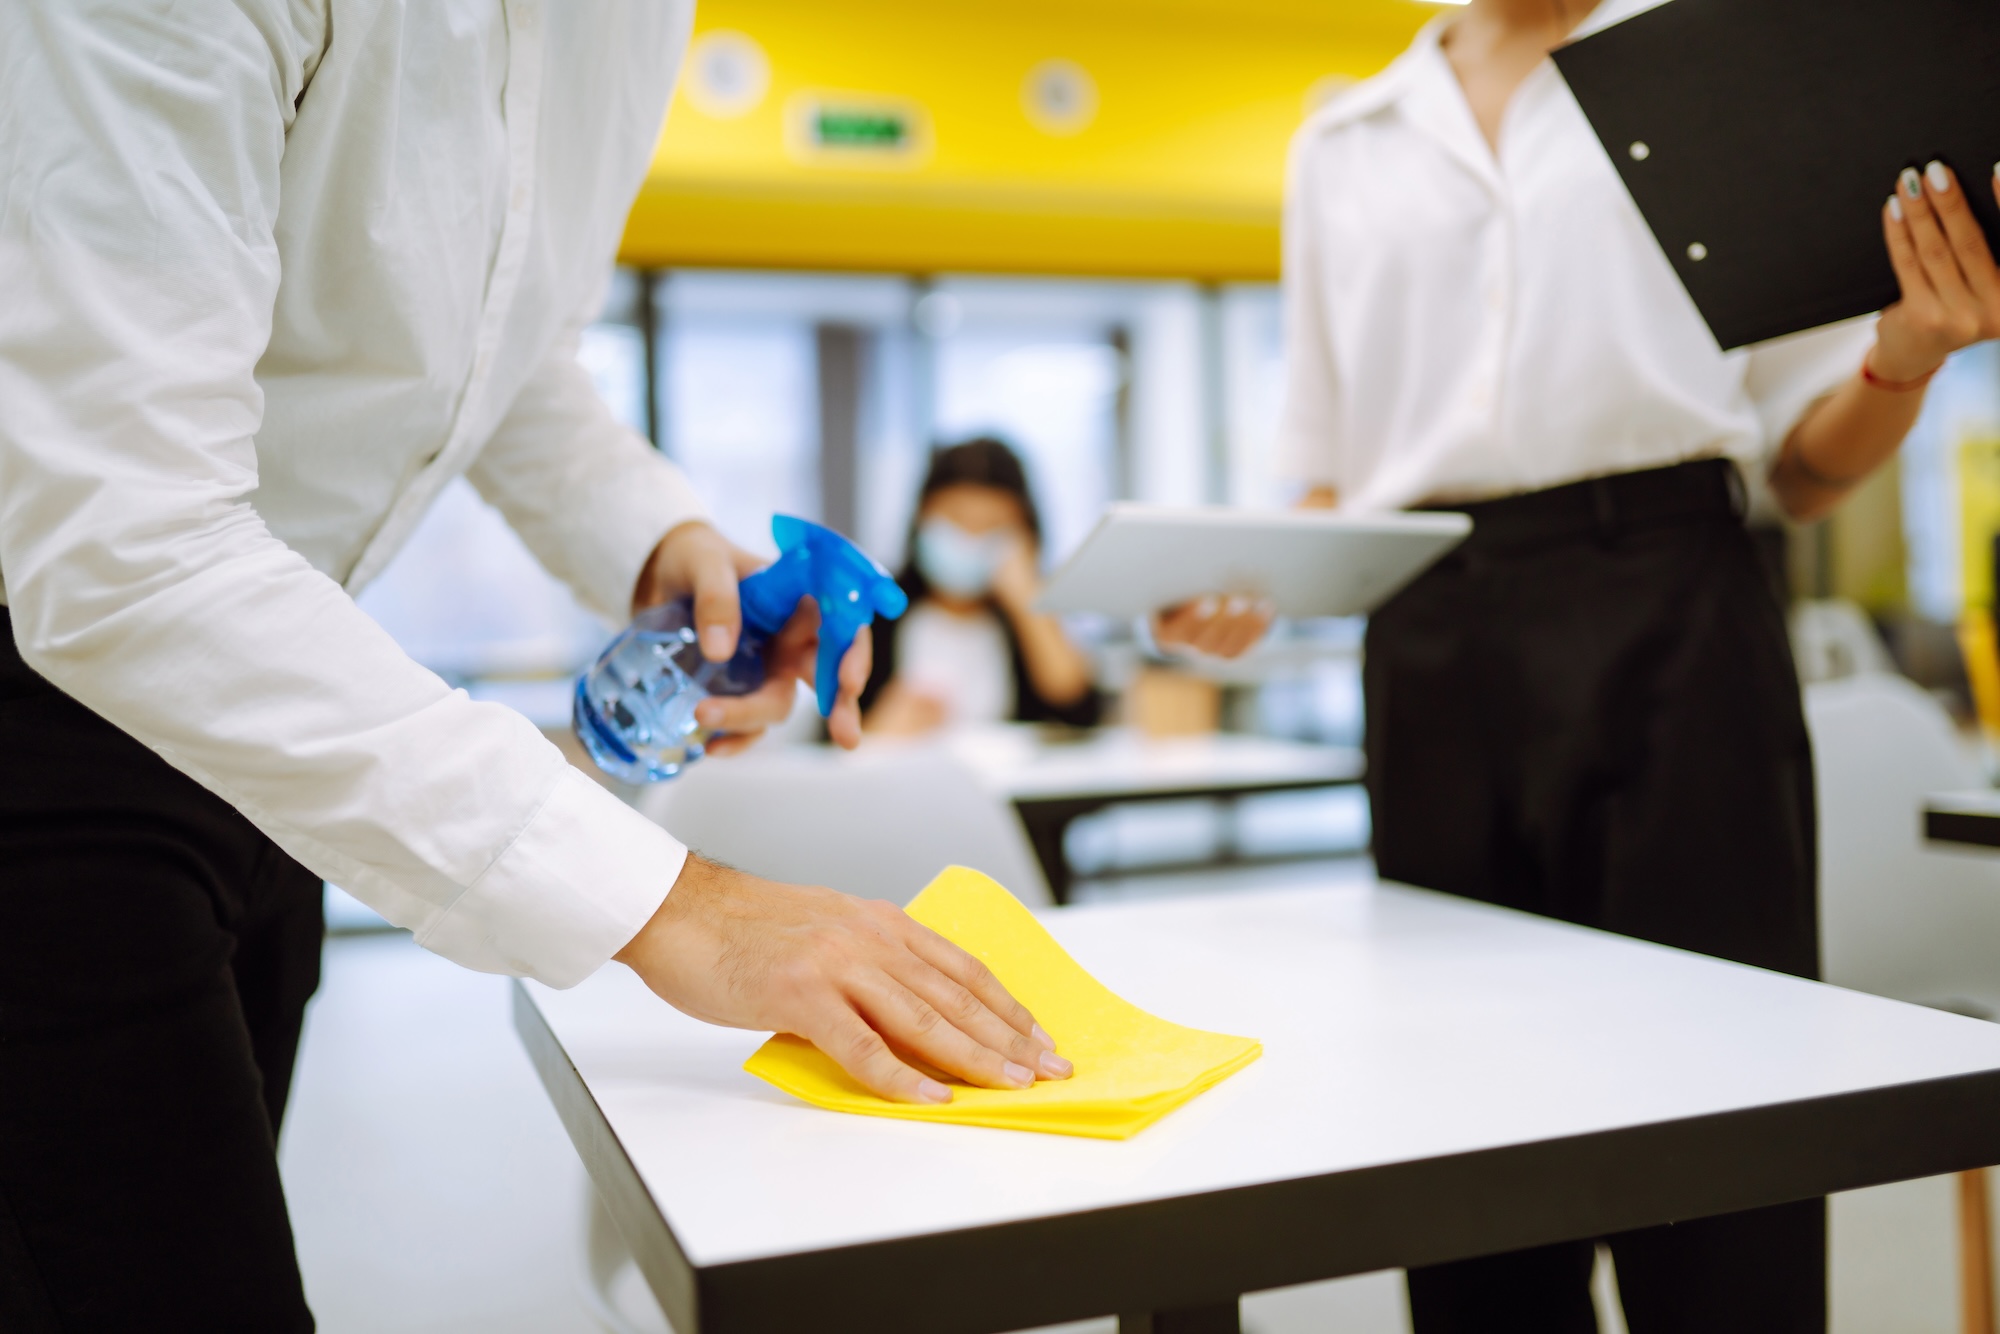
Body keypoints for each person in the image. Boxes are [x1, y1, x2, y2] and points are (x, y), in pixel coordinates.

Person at [0, 4, 1070, 1327]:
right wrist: (684, 906)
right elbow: (122, 540)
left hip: (268, 688)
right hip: (52, 685)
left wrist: (660, 535)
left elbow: (510, 354)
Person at [1158, 0, 2000, 1328]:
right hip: (1430, 640)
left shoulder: (1714, 72)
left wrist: (1908, 354)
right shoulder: (1344, 137)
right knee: (1465, 1139)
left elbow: (1801, 466)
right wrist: (1249, 576)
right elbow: (1333, 471)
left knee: (1727, 1124)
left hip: (1675, 606)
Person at [863, 438, 1103, 735]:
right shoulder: (874, 617)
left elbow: (1079, 709)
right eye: (956, 518)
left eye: (992, 525)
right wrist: (879, 732)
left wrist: (1028, 600)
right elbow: (828, 745)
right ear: (921, 517)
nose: (970, 538)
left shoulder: (1023, 623)